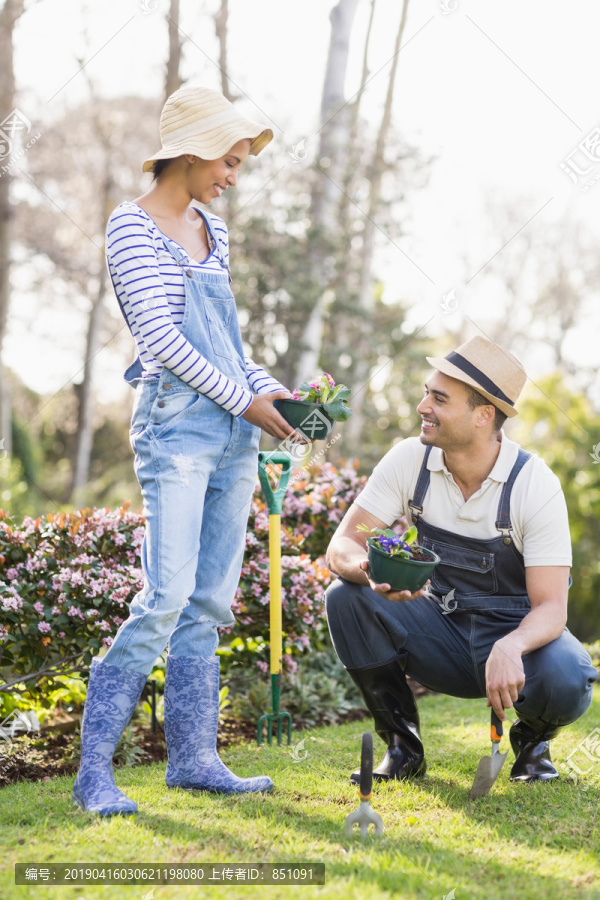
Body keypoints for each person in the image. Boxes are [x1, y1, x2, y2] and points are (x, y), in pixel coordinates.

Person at [73, 86, 302, 816]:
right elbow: (164, 343)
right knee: (165, 595)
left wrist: (280, 396)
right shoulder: (131, 229)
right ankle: (93, 773)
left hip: (233, 432)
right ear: (194, 151)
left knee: (208, 601)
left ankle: (195, 760)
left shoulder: (215, 229)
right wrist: (248, 400)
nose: (233, 175)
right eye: (229, 161)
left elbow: (228, 349)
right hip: (177, 431)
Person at [325, 336, 598, 785]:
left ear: (482, 415)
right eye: (425, 392)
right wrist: (370, 571)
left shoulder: (534, 484)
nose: (421, 406)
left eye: (438, 398)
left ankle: (532, 744)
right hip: (439, 632)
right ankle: (402, 747)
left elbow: (551, 606)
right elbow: (342, 546)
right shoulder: (410, 460)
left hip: (517, 643)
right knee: (344, 596)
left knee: (568, 674)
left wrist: (510, 646)